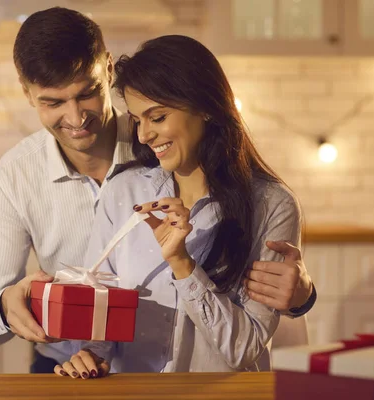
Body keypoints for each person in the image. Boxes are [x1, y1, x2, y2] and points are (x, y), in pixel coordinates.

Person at [0, 7, 316, 374]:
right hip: (74, 363)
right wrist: (8, 305)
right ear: (27, 94)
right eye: (53, 102)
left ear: (108, 69)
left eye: (87, 94)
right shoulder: (19, 176)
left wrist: (303, 297)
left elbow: (250, 331)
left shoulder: (167, 153)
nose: (75, 118)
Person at [54, 34, 308, 378]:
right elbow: (102, 304)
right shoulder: (123, 190)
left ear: (204, 107)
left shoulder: (271, 205)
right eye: (138, 120)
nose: (144, 136)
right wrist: (88, 353)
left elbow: (242, 349)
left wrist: (182, 264)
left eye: (157, 118)